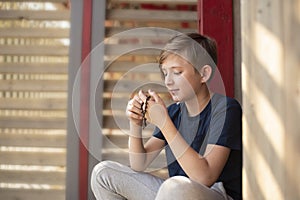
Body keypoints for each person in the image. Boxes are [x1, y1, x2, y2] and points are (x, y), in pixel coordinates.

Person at [91, 32, 242, 200]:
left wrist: (164, 123)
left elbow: (204, 177)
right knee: (103, 174)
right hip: (173, 194)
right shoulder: (174, 113)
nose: (168, 81)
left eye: (177, 72)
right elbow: (138, 163)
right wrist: (136, 123)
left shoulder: (226, 109)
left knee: (174, 187)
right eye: (165, 73)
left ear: (203, 74)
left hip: (214, 194)